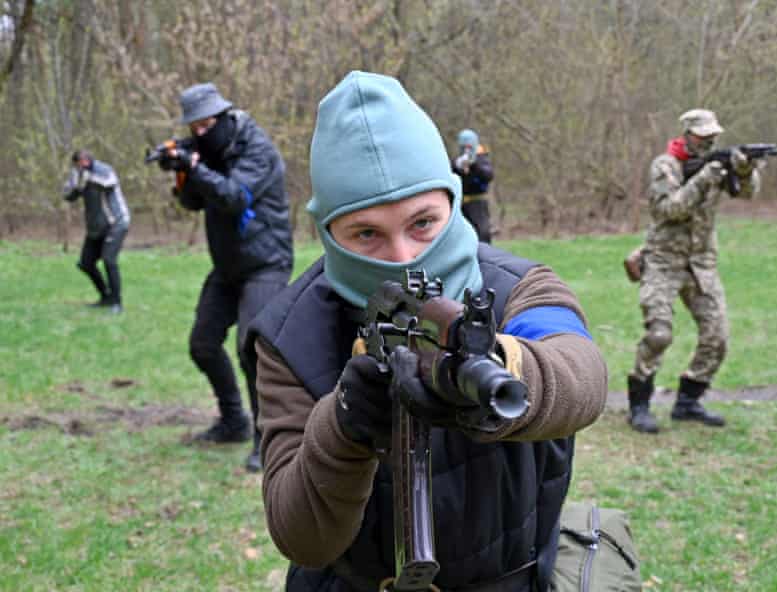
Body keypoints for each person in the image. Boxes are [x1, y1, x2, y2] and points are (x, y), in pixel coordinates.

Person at [247, 71, 608, 592]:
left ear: (453, 203)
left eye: (422, 223)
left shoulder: (517, 288)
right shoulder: (290, 334)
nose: (402, 257)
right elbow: (302, 537)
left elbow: (583, 375)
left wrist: (496, 364)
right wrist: (345, 425)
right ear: (328, 232)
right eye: (366, 233)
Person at [159, 82, 293, 472]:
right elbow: (192, 202)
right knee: (202, 343)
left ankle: (268, 440)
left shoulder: (257, 148)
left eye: (205, 125)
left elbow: (235, 196)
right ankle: (234, 420)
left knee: (252, 350)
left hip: (266, 262)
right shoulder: (208, 151)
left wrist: (196, 167)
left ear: (222, 116)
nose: (199, 133)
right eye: (193, 128)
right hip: (228, 267)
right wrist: (182, 173)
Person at [627, 109, 760, 434]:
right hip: (662, 261)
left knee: (717, 338)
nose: (708, 141)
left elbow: (748, 193)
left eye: (712, 136)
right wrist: (704, 178)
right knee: (659, 334)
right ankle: (640, 404)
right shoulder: (665, 166)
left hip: (701, 263)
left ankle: (688, 401)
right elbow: (667, 209)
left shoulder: (717, 166)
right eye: (702, 136)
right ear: (687, 134)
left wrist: (744, 171)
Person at [62, 149, 130, 314]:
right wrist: (78, 186)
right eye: (79, 163)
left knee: (109, 260)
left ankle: (117, 303)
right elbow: (67, 194)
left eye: (85, 161)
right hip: (95, 226)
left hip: (116, 222)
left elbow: (109, 182)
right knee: (86, 263)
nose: (83, 164)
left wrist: (88, 179)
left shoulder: (104, 169)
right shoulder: (76, 173)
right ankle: (105, 296)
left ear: (90, 159)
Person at [451, 128, 495, 243]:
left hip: (478, 203)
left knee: (482, 234)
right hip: (462, 204)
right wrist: (456, 166)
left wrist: (474, 164)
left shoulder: (482, 159)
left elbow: (488, 175)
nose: (466, 150)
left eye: (468, 147)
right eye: (463, 147)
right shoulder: (458, 161)